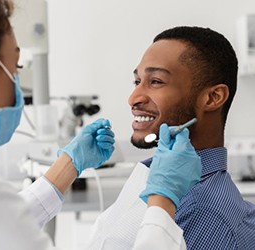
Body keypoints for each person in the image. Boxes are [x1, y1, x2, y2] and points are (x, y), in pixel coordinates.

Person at [0, 1, 201, 249]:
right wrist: (163, 201)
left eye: (156, 81)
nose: (134, 97)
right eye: (15, 68)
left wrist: (68, 165)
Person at [84, 26, 255, 250]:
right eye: (137, 82)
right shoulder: (159, 182)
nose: (133, 98)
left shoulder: (204, 213)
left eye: (156, 81)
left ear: (213, 98)